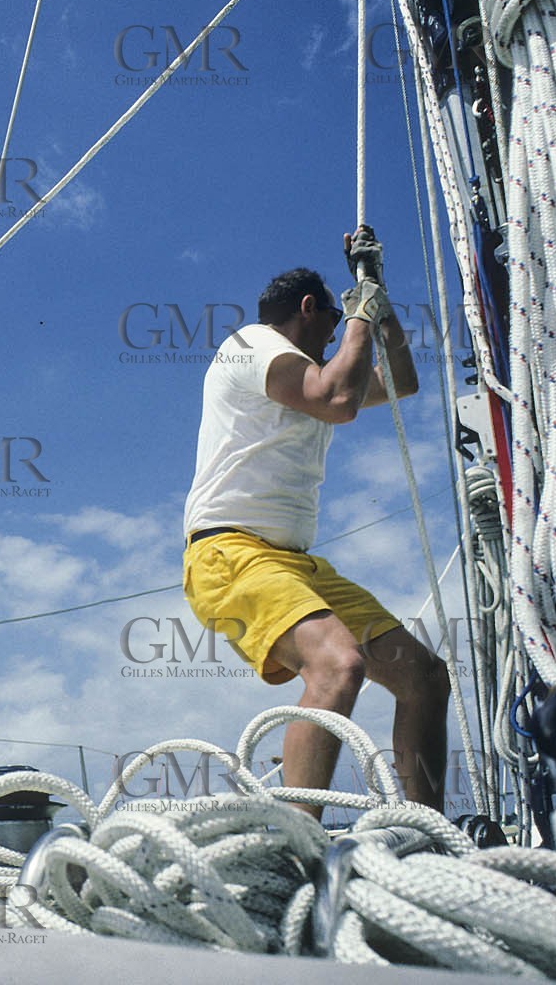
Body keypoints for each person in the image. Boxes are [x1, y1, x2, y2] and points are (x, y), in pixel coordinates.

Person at [182, 229, 451, 818]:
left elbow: (401, 382)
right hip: (229, 552)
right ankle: (297, 845)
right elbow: (337, 401)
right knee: (337, 664)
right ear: (309, 308)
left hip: (294, 563)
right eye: (333, 317)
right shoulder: (250, 345)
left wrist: (378, 302)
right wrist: (359, 314)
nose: (335, 332)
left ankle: (430, 833)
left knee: (425, 677)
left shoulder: (310, 375)